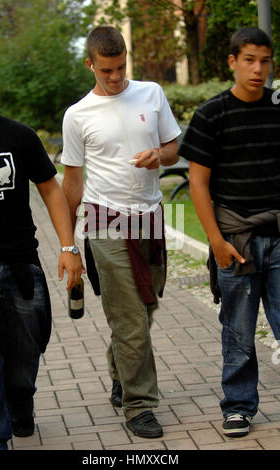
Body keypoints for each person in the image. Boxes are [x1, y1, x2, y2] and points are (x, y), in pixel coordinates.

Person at [61, 25, 180, 438]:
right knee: (129, 319)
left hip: (149, 218)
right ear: (90, 64)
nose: (115, 78)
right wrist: (68, 244)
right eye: (106, 70)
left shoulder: (151, 93)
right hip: (103, 221)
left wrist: (159, 157)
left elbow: (174, 147)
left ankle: (121, 372)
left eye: (121, 68)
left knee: (145, 309)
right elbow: (72, 182)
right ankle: (139, 406)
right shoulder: (78, 115)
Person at [179, 27, 280, 438]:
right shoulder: (211, 114)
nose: (258, 70)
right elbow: (197, 183)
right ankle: (238, 406)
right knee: (238, 328)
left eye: (266, 61)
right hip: (235, 240)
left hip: (278, 233)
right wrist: (215, 241)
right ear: (232, 62)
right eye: (250, 60)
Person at [0, 58, 84, 450]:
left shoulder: (19, 136)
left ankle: (20, 399)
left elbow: (50, 190)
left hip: (20, 263)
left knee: (25, 351)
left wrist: (68, 246)